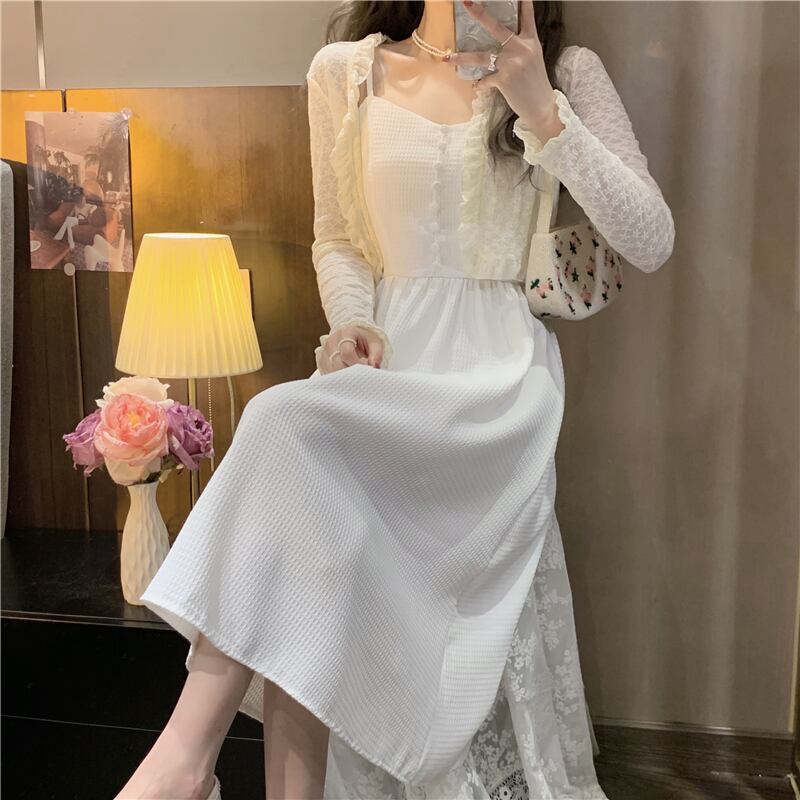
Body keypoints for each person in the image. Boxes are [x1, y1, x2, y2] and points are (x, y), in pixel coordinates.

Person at [116, 1, 674, 798]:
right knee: (301, 526)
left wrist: (543, 110)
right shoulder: (346, 72)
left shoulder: (566, 71)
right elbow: (339, 238)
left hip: (496, 385)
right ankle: (194, 764)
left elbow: (650, 238)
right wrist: (351, 323)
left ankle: (180, 764)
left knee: (281, 426)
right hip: (387, 368)